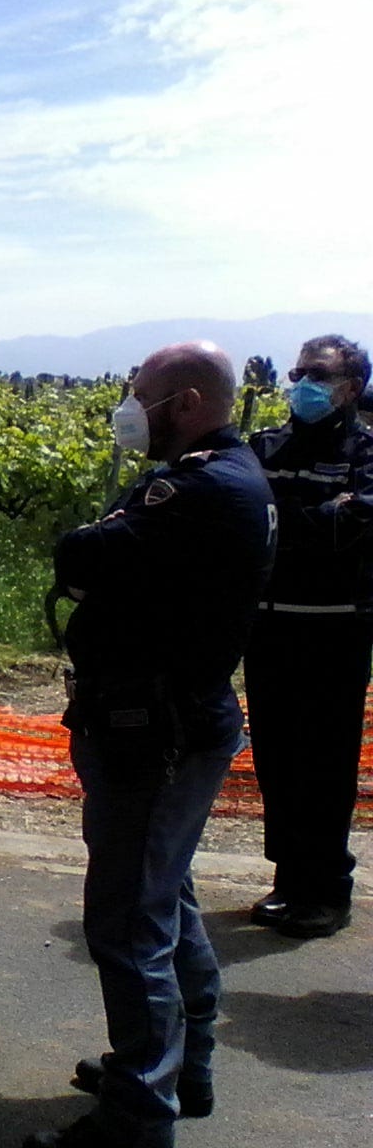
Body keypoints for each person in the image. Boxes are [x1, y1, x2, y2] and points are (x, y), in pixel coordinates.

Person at [27, 342, 275, 1148]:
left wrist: (98, 538)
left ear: (190, 401)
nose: (131, 408)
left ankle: (138, 1115)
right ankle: (175, 1069)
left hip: (153, 728)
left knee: (132, 922)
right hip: (171, 720)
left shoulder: (201, 486)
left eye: (142, 395)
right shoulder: (231, 477)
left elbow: (83, 552)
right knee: (164, 899)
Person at [243, 334, 373, 939]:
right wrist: (317, 517)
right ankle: (289, 879)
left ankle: (327, 889)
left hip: (335, 632)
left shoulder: (366, 453)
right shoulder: (264, 447)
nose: (302, 384)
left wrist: (295, 520)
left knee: (324, 764)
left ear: (351, 388)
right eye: (297, 373)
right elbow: (244, 520)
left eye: (317, 375)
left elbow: (353, 525)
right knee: (276, 760)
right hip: (268, 627)